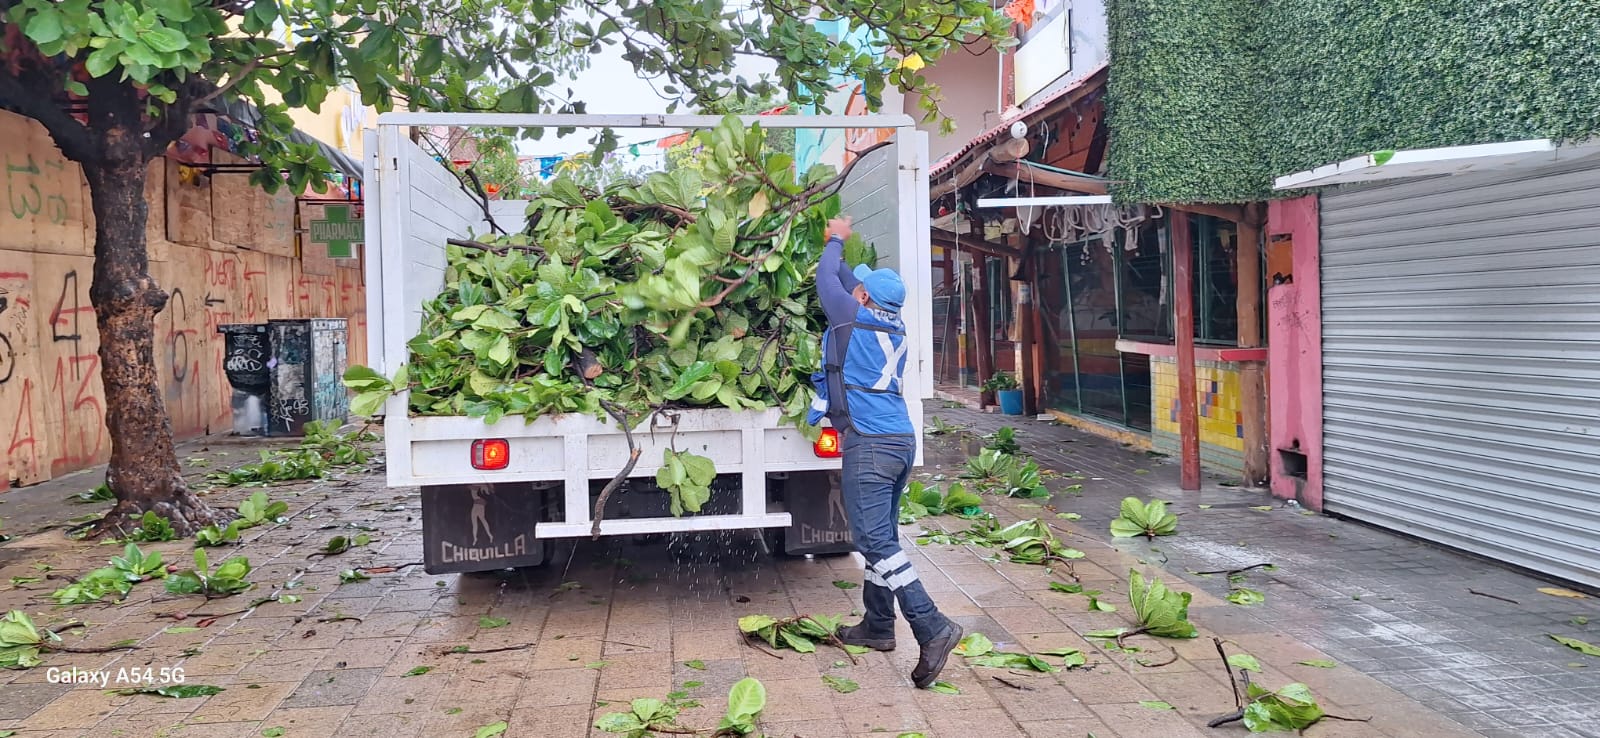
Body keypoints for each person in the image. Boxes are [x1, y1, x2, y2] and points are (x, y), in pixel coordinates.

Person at [806, 216, 963, 689]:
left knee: (875, 541)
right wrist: (850, 261)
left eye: (861, 289)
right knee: (883, 533)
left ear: (863, 298)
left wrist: (835, 236)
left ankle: (931, 625)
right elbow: (848, 282)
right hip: (899, 441)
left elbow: (825, 278)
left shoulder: (851, 318)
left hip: (870, 445)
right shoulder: (890, 324)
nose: (855, 290)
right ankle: (877, 626)